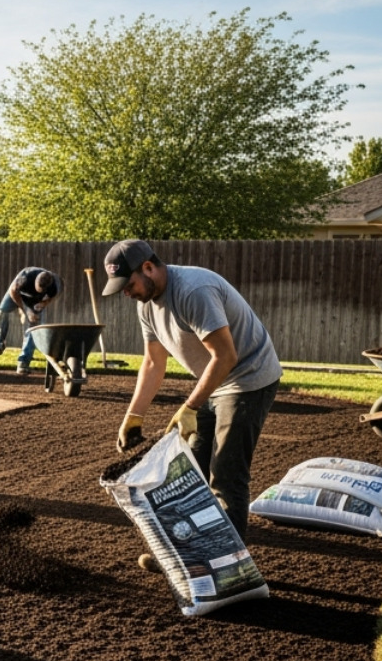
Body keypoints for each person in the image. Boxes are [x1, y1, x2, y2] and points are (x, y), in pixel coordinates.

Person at [103, 239, 282, 564]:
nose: (126, 293)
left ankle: (230, 565)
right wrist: (134, 415)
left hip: (248, 377)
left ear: (148, 267)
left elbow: (226, 355)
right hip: (214, 381)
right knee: (188, 472)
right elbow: (154, 362)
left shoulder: (193, 290)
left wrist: (190, 407)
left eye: (128, 285)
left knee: (226, 473)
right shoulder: (146, 304)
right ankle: (183, 556)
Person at [0, 267, 59, 374]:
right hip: (16, 295)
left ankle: (23, 362)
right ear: (36, 281)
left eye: (42, 290)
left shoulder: (52, 285)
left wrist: (43, 304)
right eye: (38, 288)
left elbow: (52, 296)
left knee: (34, 327)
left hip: (34, 301)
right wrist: (25, 310)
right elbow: (13, 291)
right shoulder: (25, 277)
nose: (41, 290)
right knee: (2, 313)